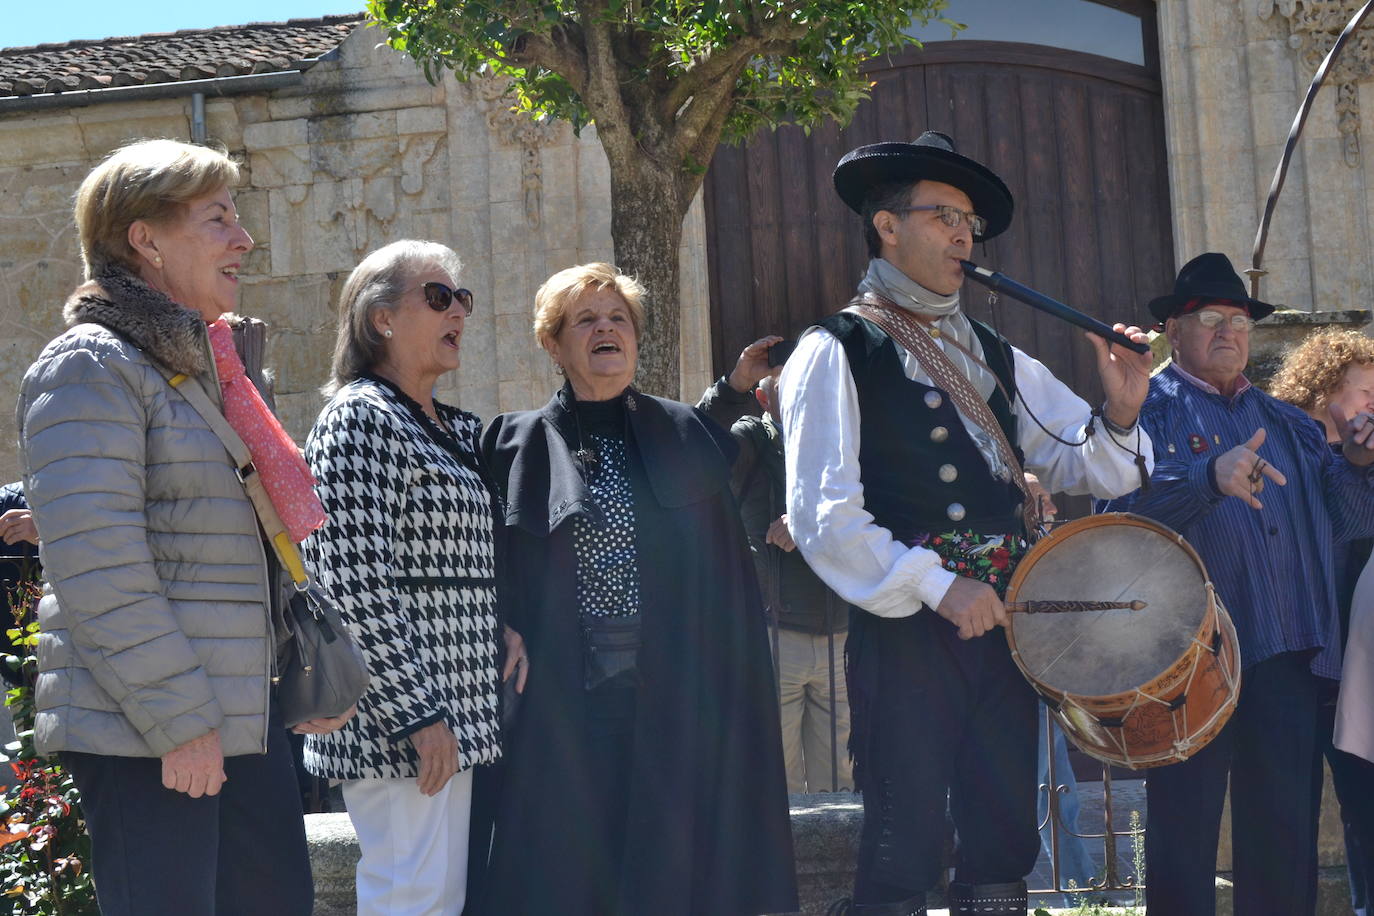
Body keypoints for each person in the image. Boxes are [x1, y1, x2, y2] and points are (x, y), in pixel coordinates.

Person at [781, 131, 1153, 916]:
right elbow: (823, 514)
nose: (963, 235)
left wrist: (1121, 410)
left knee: (1002, 830)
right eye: (944, 215)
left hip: (1005, 630)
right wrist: (937, 586)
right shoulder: (834, 348)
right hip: (911, 630)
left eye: (969, 223)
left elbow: (1092, 461)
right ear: (886, 225)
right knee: (903, 832)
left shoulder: (995, 353)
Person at [15, 138, 349, 916]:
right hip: (155, 732)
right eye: (219, 219)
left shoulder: (205, 369)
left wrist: (302, 662)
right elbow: (100, 572)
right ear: (146, 239)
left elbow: (245, 548)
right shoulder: (89, 367)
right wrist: (181, 722)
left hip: (238, 720)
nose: (245, 240)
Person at [479, 262, 797, 915]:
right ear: (553, 342)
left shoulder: (685, 435)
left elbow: (719, 587)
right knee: (567, 876)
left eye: (618, 318)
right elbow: (489, 569)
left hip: (673, 708)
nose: (606, 329)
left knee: (670, 879)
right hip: (561, 712)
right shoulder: (513, 444)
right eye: (586, 320)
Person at [1100, 252, 1374, 916]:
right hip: (1183, 663)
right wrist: (1205, 478)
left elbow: (1349, 522)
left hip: (1284, 658)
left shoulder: (1287, 423)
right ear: (1173, 328)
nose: (1228, 332)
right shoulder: (1146, 411)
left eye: (1240, 321)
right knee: (1183, 837)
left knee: (1284, 837)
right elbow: (1111, 521)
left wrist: (1361, 464)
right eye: (1210, 319)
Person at [301, 239, 518, 916]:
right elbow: (352, 583)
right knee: (409, 897)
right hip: (402, 722)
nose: (457, 310)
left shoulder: (450, 427)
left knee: (436, 901)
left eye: (462, 298)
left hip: (456, 712)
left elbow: (468, 555)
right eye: (436, 296)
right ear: (381, 319)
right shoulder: (359, 418)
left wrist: (502, 622)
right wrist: (418, 716)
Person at [1270, 327, 1374, 916]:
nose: (1373, 405)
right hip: (1302, 664)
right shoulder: (1288, 450)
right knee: (1290, 816)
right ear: (1325, 390)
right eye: (1365, 392)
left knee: (1366, 810)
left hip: (1359, 668)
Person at [731, 368, 853, 793]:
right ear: (765, 401)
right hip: (775, 634)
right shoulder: (749, 439)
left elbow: (873, 511)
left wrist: (808, 521)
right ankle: (782, 861)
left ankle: (837, 861)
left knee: (838, 778)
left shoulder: (840, 442)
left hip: (839, 632)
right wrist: (732, 388)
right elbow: (700, 449)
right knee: (775, 777)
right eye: (788, 389)